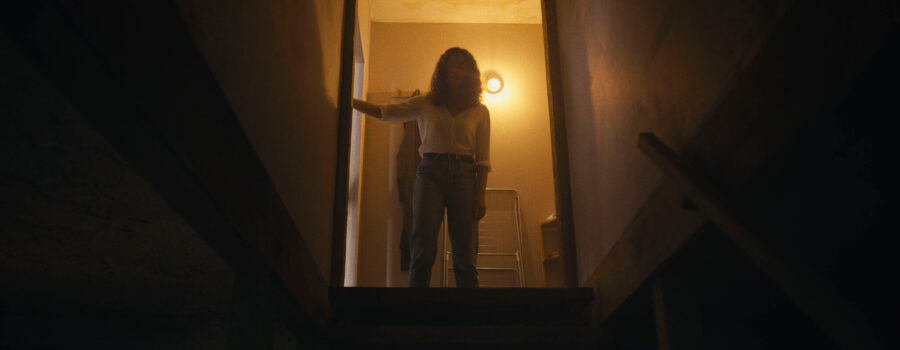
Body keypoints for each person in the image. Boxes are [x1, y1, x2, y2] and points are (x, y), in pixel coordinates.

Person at [352, 47, 490, 288]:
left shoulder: (480, 111)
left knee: (465, 253)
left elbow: (483, 159)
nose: (456, 70)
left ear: (470, 74)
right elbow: (387, 112)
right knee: (422, 248)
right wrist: (349, 100)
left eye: (462, 65)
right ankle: (416, 312)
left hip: (465, 176)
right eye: (451, 64)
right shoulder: (426, 102)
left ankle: (470, 316)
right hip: (430, 173)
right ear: (442, 69)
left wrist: (480, 194)